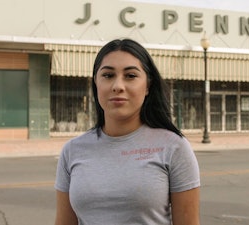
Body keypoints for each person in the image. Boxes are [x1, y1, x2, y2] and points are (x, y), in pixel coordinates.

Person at [54, 38, 200, 225]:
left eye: (130, 76)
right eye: (108, 75)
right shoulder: (72, 151)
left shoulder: (174, 147)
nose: (118, 86)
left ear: (147, 86)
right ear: (96, 84)